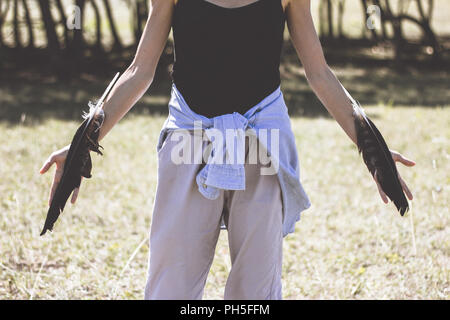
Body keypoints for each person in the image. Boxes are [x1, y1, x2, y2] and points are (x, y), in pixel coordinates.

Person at [40, 0, 415, 300]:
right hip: (189, 137)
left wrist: (373, 150)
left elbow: (318, 72)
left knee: (256, 293)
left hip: (262, 145)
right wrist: (82, 143)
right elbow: (140, 71)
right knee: (171, 284)